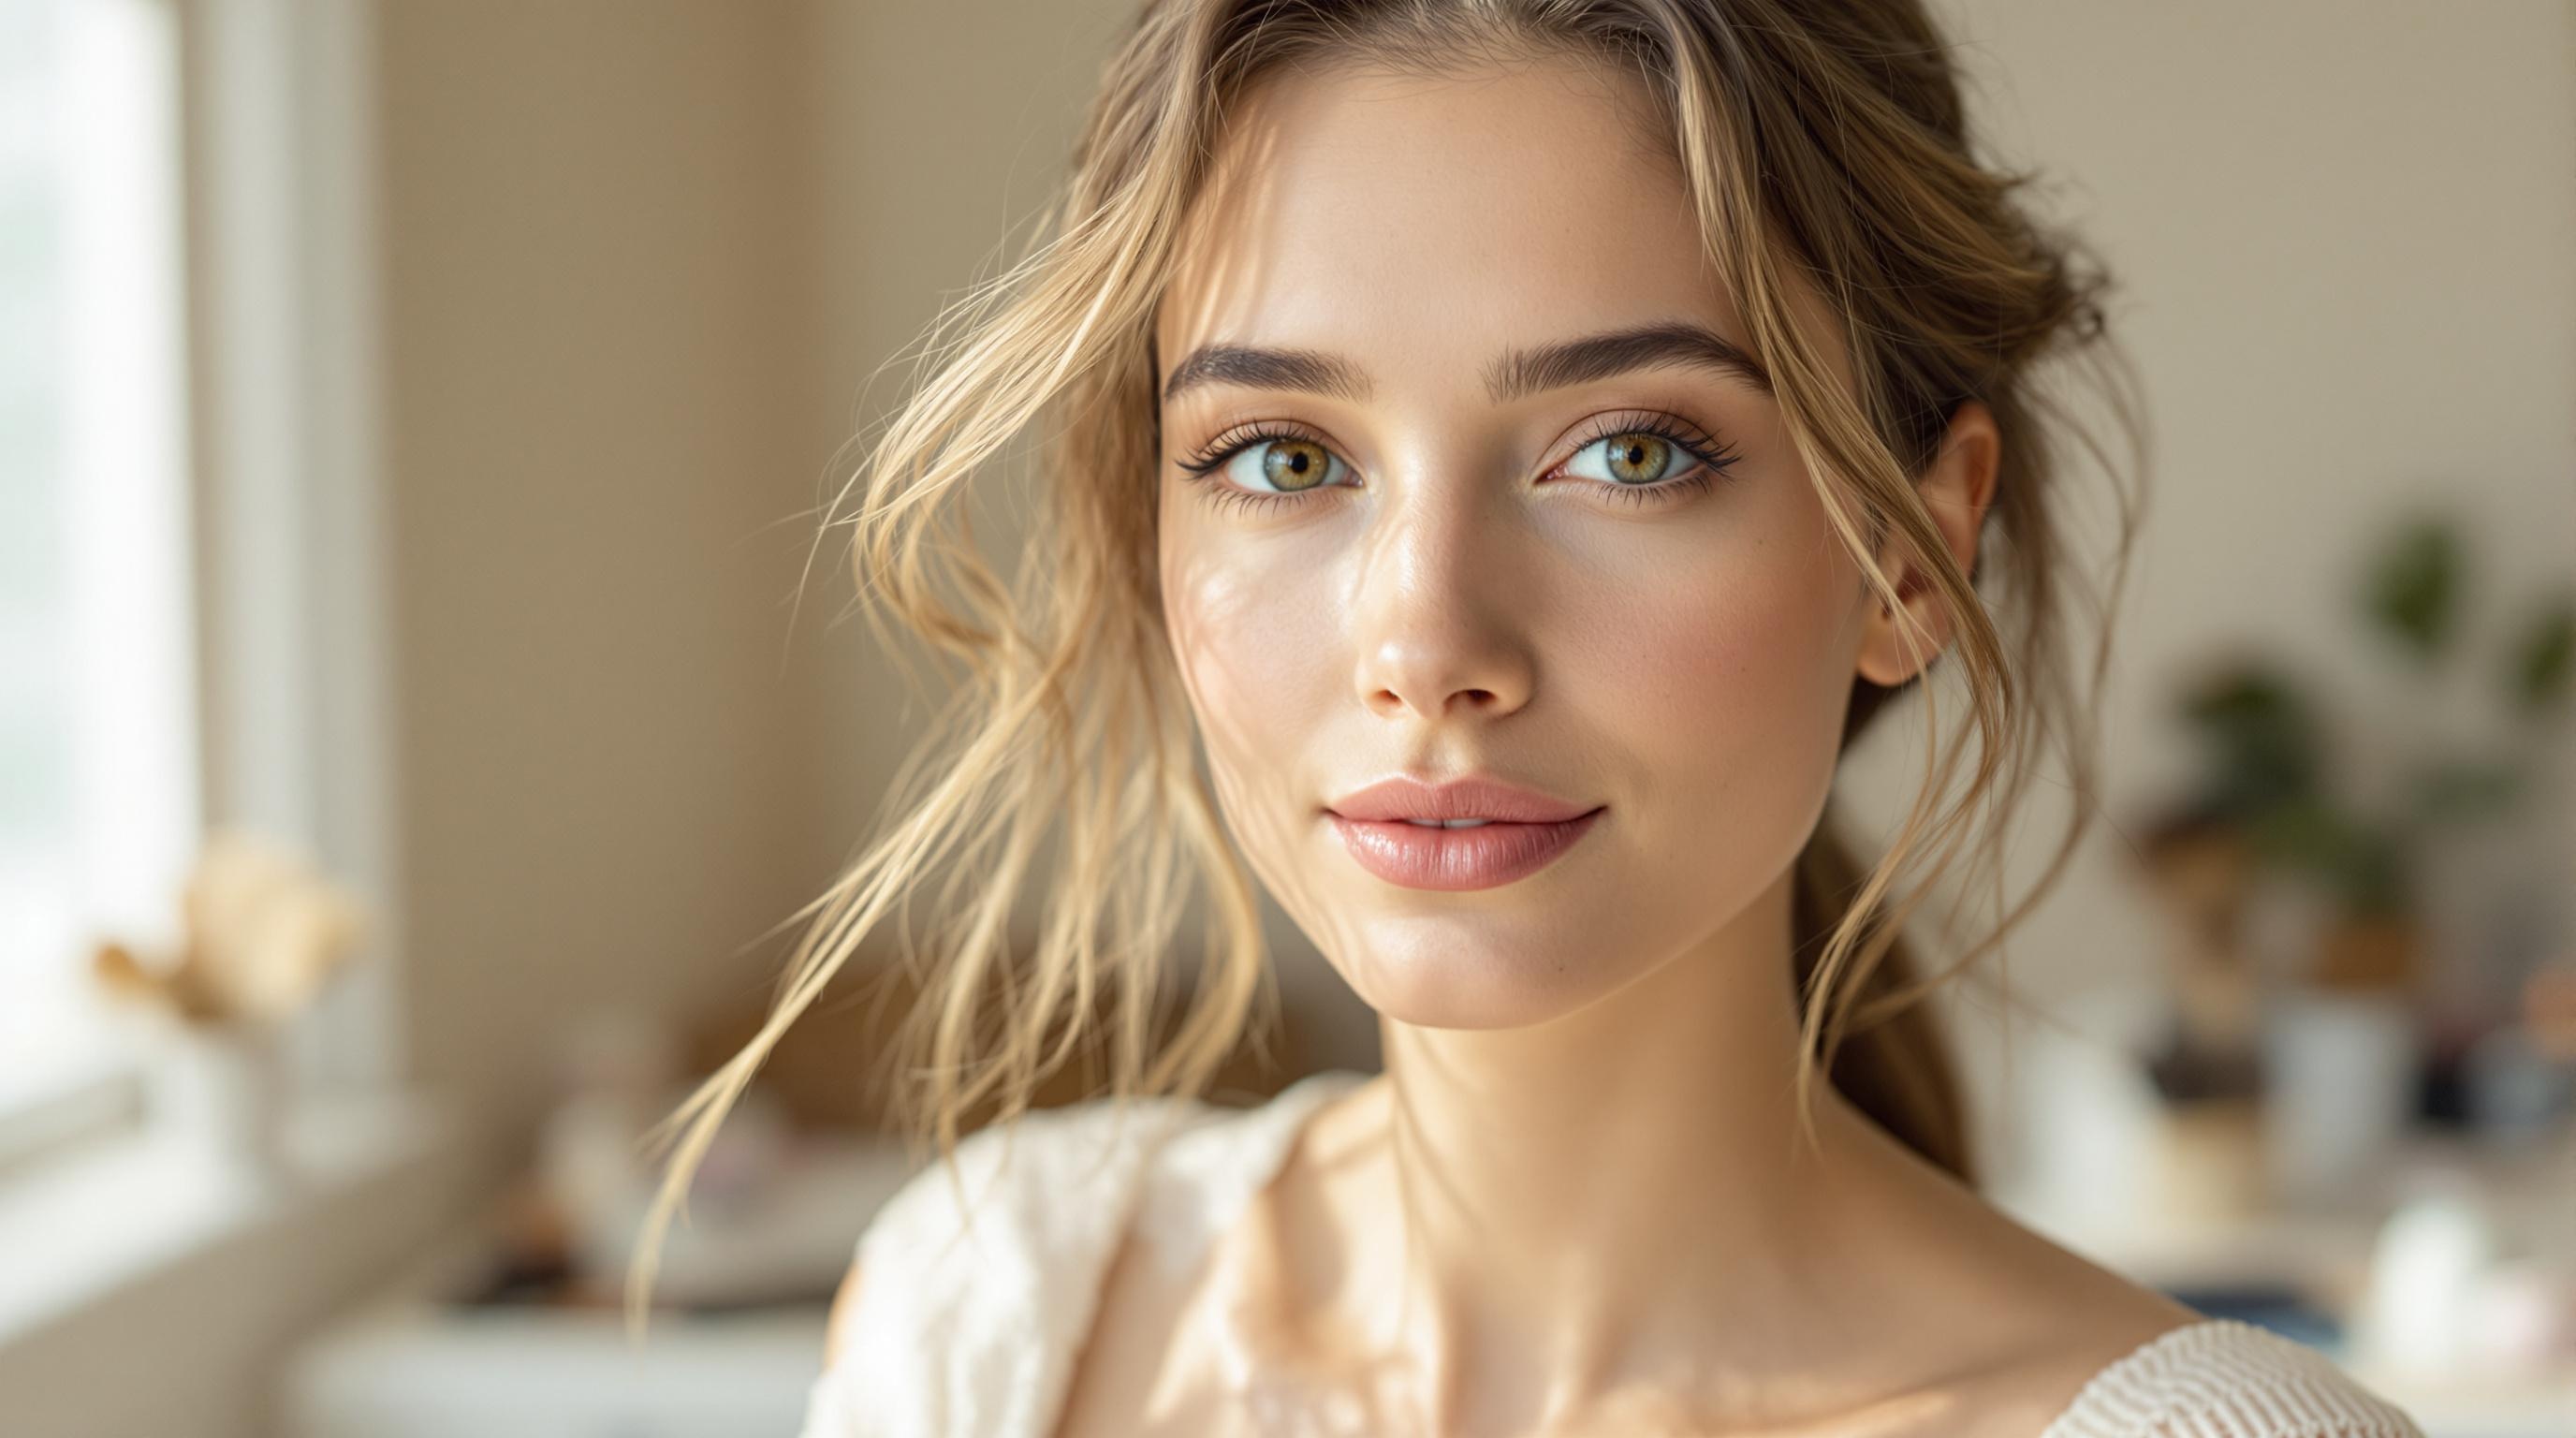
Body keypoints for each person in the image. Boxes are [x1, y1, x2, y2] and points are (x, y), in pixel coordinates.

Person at [640, 1, 2433, 1433]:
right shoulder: (1006, 1316)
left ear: (1905, 547)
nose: (1426, 639)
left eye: (1629, 453)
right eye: (1282, 457)